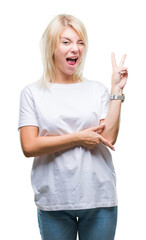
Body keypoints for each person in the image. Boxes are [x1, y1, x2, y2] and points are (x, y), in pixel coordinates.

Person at [18, 14, 128, 240]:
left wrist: (116, 90)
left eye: (80, 42)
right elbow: (29, 146)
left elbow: (108, 136)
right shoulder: (32, 93)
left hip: (99, 196)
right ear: (51, 47)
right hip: (54, 200)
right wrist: (78, 137)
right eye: (66, 42)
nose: (75, 49)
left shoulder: (96, 90)